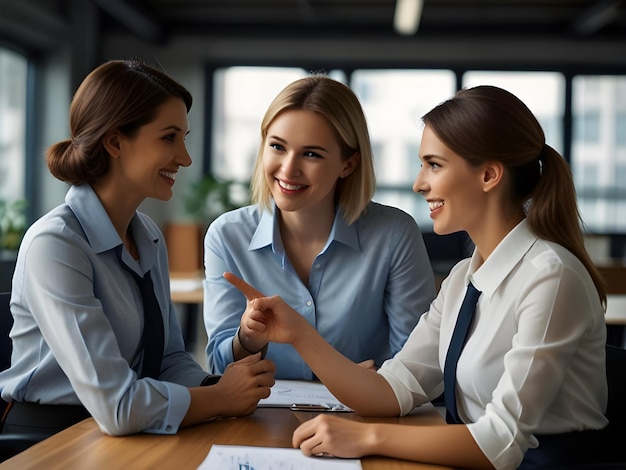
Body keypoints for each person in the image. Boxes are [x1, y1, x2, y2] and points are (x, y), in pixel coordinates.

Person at [224, 85, 615, 469]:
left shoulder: (550, 276)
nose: (419, 183)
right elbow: (394, 390)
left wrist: (367, 437)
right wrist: (299, 334)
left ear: (489, 175)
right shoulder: (466, 277)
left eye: (434, 164)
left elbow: (501, 443)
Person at [0, 59, 275, 440]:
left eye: (184, 138)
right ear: (115, 142)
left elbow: (169, 360)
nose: (185, 157)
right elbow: (117, 407)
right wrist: (221, 399)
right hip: (51, 438)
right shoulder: (56, 244)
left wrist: (220, 385)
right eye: (169, 138)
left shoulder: (147, 234)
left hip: (125, 432)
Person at [203, 75, 436, 380]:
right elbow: (219, 371)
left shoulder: (394, 235)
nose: (288, 169)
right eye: (277, 147)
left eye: (311, 154)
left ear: (348, 164)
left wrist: (371, 384)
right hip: (258, 421)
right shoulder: (227, 235)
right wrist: (247, 338)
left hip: (365, 419)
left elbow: (418, 366)